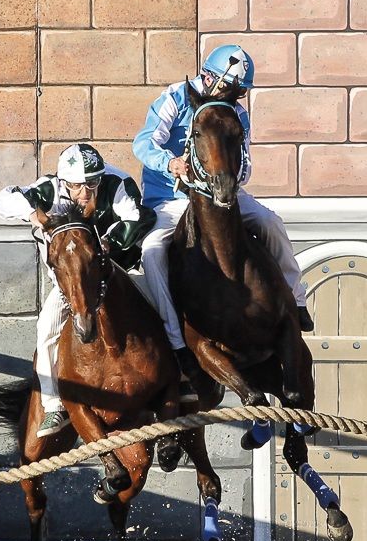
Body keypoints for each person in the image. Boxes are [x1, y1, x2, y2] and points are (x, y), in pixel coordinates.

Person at [133, 43, 314, 394]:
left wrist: (233, 180)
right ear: (210, 77)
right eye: (230, 88)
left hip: (221, 193)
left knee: (270, 222)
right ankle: (176, 339)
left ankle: (297, 299)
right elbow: (144, 143)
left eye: (239, 92)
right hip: (170, 199)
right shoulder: (174, 97)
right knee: (153, 249)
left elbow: (244, 162)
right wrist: (171, 164)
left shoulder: (236, 114)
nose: (234, 97)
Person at [0, 143, 157, 437]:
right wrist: (34, 214)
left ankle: (180, 374)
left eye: (93, 184)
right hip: (71, 286)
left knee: (157, 306)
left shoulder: (115, 183)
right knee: (46, 330)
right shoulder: (47, 190)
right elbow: (3, 199)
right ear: (64, 183)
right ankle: (54, 405)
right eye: (79, 186)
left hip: (121, 274)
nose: (86, 193)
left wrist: (107, 244)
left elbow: (139, 217)